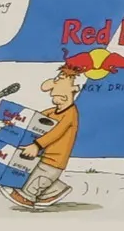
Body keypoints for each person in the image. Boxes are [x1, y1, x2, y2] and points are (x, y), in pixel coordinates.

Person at [11, 64, 84, 210]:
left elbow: (56, 133)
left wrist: (37, 145)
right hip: (44, 155)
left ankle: (27, 196)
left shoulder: (70, 115)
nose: (54, 99)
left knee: (38, 179)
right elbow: (39, 118)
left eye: (57, 96)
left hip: (54, 159)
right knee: (36, 174)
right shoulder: (53, 112)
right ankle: (56, 190)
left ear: (67, 94)